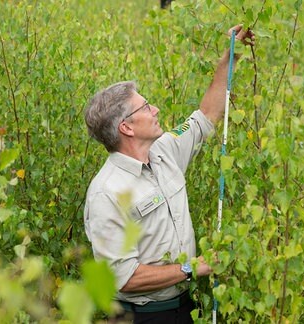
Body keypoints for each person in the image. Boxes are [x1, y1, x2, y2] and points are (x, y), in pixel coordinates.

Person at [83, 25, 255, 323]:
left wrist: (230, 57)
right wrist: (192, 267)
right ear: (127, 127)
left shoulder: (164, 151)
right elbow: (124, 278)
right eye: (146, 107)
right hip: (141, 316)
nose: (156, 109)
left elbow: (205, 117)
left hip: (184, 307)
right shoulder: (106, 194)